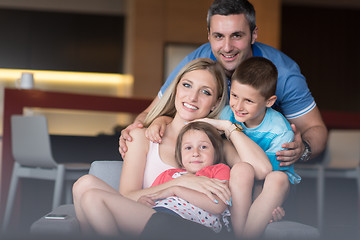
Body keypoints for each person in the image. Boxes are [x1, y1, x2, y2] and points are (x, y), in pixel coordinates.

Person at [73, 58, 271, 238]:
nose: (192, 97)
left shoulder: (216, 142)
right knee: (83, 184)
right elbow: (128, 197)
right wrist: (182, 184)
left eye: (205, 92)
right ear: (176, 89)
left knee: (91, 196)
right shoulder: (143, 136)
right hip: (150, 216)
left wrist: (227, 127)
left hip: (190, 227)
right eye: (187, 85)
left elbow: (262, 169)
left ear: (216, 102)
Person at [119, 0, 328, 166]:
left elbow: (315, 128)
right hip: (209, 159)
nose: (227, 47)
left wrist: (303, 150)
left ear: (253, 35)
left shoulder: (283, 72)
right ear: (208, 35)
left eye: (236, 36)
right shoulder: (196, 63)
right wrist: (133, 132)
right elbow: (149, 114)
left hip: (263, 161)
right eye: (218, 36)